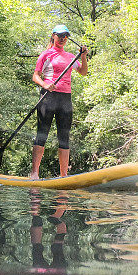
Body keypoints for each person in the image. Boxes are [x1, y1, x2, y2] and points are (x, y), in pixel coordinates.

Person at [29, 24, 88, 178]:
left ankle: (64, 176)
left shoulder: (70, 56)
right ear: (53, 36)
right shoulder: (46, 54)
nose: (62, 38)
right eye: (60, 35)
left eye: (65, 36)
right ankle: (34, 173)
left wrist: (83, 56)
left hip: (65, 99)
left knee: (64, 136)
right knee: (42, 134)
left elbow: (83, 72)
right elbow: (35, 76)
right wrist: (45, 84)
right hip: (48, 98)